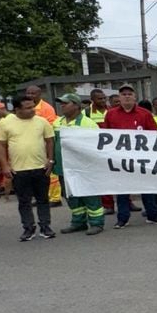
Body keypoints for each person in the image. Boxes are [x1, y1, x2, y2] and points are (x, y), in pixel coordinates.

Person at [0, 94, 56, 241]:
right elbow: (0, 145)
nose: (32, 110)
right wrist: (5, 165)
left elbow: (50, 141)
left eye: (33, 106)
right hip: (18, 170)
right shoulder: (5, 123)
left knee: (43, 199)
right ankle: (28, 228)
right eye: (28, 108)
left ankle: (45, 226)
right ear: (17, 109)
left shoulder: (42, 122)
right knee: (24, 201)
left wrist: (50, 160)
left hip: (41, 168)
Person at [101, 84, 157, 227]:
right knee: (122, 190)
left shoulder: (144, 114)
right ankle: (122, 219)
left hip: (142, 159)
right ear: (119, 98)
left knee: (147, 188)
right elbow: (106, 136)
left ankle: (152, 215)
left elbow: (156, 135)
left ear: (135, 97)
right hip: (120, 159)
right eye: (123, 94)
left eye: (129, 94)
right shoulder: (111, 114)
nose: (127, 96)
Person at [52, 93, 104, 235]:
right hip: (64, 167)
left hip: (84, 167)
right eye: (61, 103)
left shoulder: (88, 123)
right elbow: (53, 143)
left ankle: (97, 223)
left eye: (65, 103)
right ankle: (78, 222)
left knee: (90, 195)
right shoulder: (57, 123)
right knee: (71, 195)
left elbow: (96, 145)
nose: (62, 106)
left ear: (76, 105)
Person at [25, 84, 63, 207]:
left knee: (50, 172)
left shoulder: (47, 108)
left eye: (33, 93)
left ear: (39, 94)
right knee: (37, 172)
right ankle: (42, 196)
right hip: (32, 145)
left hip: (45, 144)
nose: (30, 95)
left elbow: (50, 127)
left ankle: (55, 198)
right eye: (28, 93)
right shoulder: (24, 107)